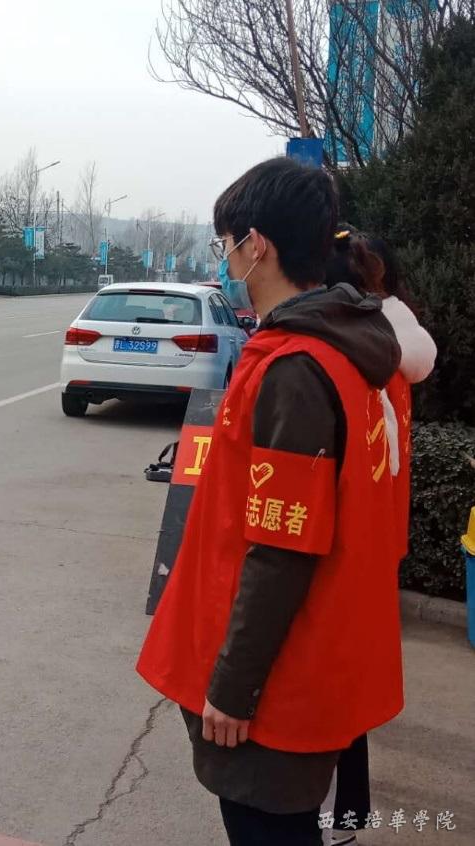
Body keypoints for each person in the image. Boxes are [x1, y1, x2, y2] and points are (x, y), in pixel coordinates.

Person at [136, 158, 406, 846]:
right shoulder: (342, 352)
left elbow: (283, 547)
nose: (225, 260)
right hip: (303, 658)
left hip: (277, 681)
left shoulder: (295, 369)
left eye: (225, 244)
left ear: (256, 245)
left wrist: (233, 688)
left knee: (267, 828)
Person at [320, 226, 435, 846]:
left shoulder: (348, 354)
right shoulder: (392, 346)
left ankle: (336, 814)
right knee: (351, 678)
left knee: (332, 679)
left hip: (343, 543)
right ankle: (347, 812)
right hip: (377, 536)